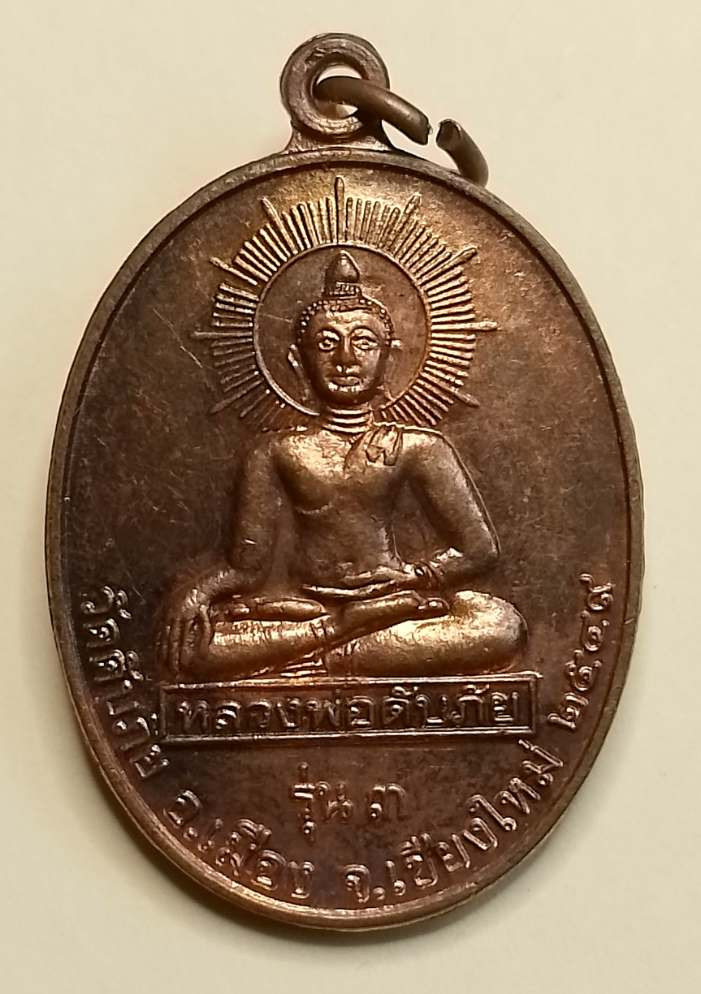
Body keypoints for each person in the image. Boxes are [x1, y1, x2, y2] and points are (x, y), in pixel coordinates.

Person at [161, 251, 526, 680]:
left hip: (392, 605)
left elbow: (479, 550)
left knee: (500, 625)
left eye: (364, 342)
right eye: (326, 343)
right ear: (297, 362)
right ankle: (340, 633)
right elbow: (246, 567)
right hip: (304, 609)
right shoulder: (277, 452)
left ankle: (329, 651)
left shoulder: (419, 447)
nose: (346, 358)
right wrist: (198, 592)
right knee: (192, 647)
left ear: (390, 358)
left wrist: (414, 577)